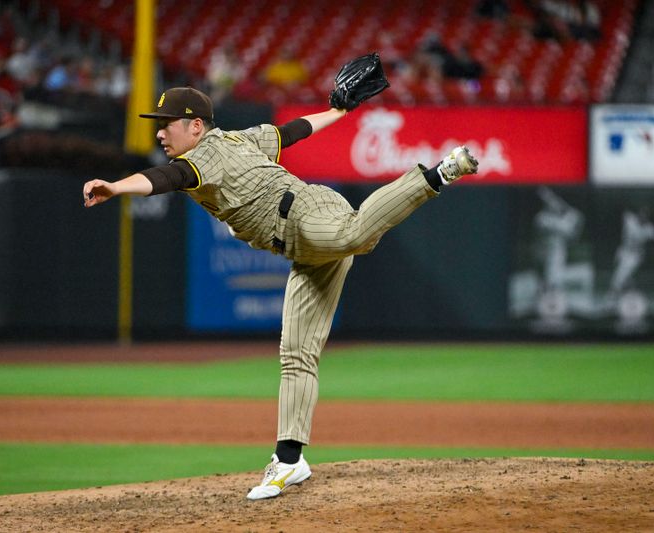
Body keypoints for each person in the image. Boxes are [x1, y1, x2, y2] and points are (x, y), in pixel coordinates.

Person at [82, 86, 478, 500]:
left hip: (309, 216)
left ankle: (437, 175)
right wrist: (337, 111)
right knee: (296, 352)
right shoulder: (241, 138)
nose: (159, 134)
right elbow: (291, 132)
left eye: (165, 125)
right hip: (302, 245)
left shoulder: (203, 156)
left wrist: (116, 186)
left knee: (354, 234)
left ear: (195, 126)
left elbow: (164, 179)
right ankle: (289, 461)